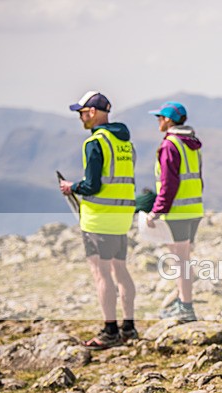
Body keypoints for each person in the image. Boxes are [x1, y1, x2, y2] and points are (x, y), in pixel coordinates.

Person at [59, 91, 137, 349]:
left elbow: (92, 185)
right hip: (121, 216)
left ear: (92, 112)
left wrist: (72, 186)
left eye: (81, 113)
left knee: (100, 273)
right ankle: (129, 327)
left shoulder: (95, 143)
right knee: (121, 269)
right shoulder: (125, 142)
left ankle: (109, 331)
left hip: (99, 219)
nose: (81, 118)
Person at [146, 102, 204, 323]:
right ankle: (182, 302)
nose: (158, 121)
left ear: (169, 120)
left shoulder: (170, 145)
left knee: (180, 262)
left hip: (177, 212)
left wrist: (156, 212)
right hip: (194, 209)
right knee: (183, 260)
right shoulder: (192, 144)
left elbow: (169, 183)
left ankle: (186, 308)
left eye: (160, 118)